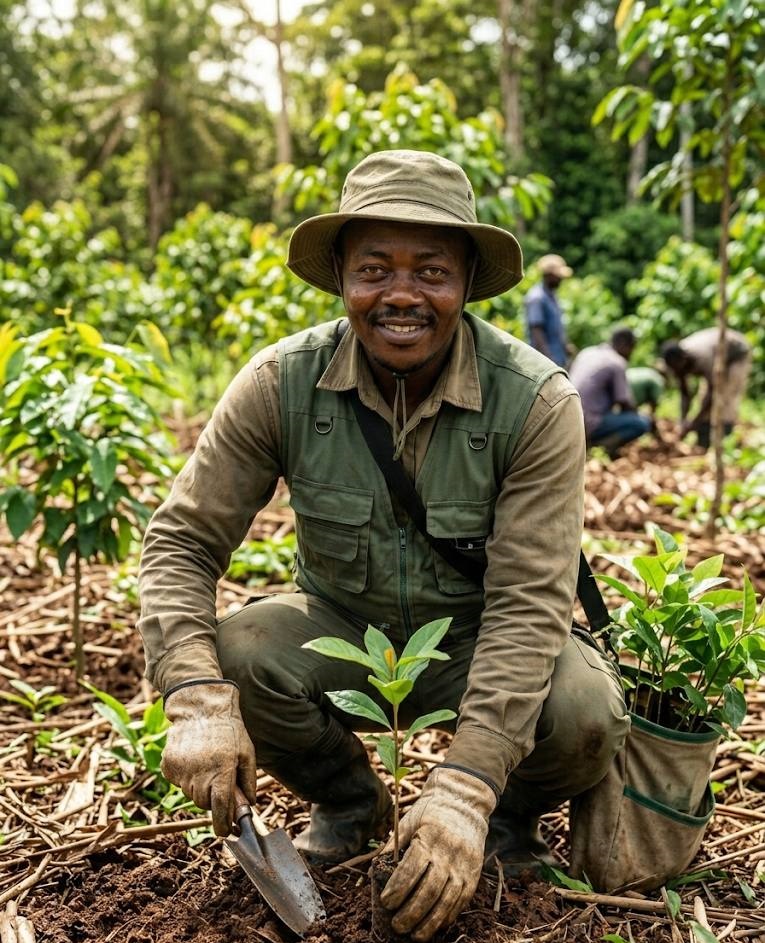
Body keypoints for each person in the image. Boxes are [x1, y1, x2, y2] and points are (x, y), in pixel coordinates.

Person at [138, 150, 629, 943]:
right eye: (374, 268)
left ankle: (499, 823)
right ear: (339, 273)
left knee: (583, 709)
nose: (401, 295)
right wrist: (194, 697)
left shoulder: (536, 401)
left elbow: (529, 602)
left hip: (476, 637)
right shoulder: (279, 382)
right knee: (237, 651)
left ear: (468, 278)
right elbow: (180, 540)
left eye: (430, 270)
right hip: (343, 627)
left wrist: (464, 786)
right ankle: (350, 801)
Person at [662, 327, 752, 448]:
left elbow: (714, 391)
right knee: (703, 399)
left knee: (724, 398)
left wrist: (694, 423)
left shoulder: (703, 356)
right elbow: (685, 393)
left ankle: (725, 440)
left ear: (684, 358)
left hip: (735, 355)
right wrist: (683, 421)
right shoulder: (675, 364)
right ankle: (704, 440)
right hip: (716, 356)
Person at [569, 328, 652, 456]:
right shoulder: (617, 362)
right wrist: (646, 418)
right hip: (589, 422)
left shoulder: (587, 352)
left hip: (567, 417)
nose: (631, 353)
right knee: (642, 423)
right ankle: (602, 447)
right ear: (625, 345)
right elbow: (624, 403)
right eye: (632, 348)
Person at [523, 253, 573, 366]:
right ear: (549, 275)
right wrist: (549, 361)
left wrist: (566, 346)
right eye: (558, 276)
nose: (561, 279)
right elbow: (536, 331)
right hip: (545, 362)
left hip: (557, 358)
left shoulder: (552, 296)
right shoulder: (536, 297)